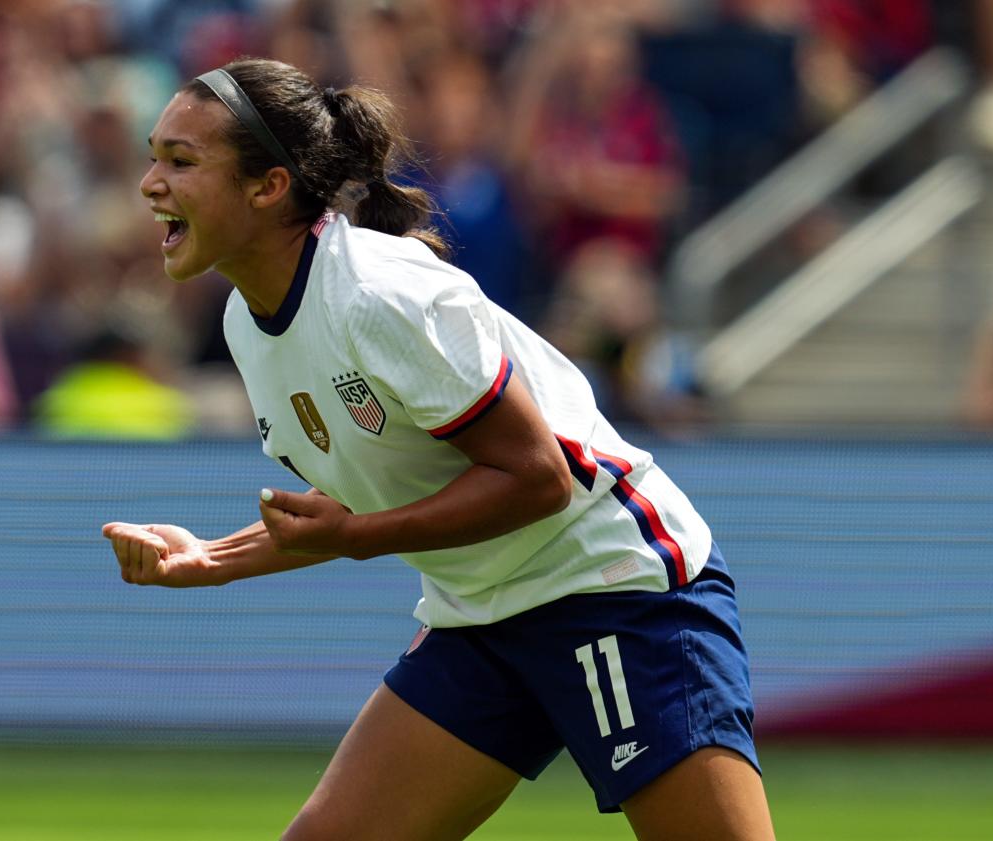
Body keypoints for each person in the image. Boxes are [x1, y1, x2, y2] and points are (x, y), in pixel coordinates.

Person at [103, 58, 775, 840]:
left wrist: (355, 539)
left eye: (181, 161)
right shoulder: (245, 325)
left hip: (615, 588)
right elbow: (371, 490)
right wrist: (211, 556)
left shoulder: (379, 295)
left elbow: (537, 478)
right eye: (154, 156)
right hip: (482, 613)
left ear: (269, 187)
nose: (150, 182)